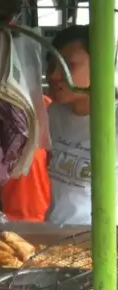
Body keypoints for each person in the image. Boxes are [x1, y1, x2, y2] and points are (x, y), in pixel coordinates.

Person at [45, 25, 107, 226]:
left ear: (100, 65)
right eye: (52, 65)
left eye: (67, 66)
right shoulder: (54, 114)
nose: (54, 75)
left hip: (101, 243)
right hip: (56, 238)